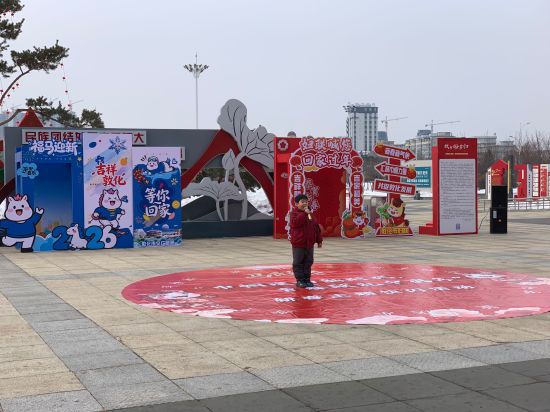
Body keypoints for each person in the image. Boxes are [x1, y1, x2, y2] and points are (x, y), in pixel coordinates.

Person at [289, 194, 322, 288]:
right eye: (302, 202)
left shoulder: (310, 214)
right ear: (296, 204)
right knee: (298, 262)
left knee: (308, 261)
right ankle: (300, 280)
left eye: (306, 202)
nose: (305, 204)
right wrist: (304, 213)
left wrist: (319, 240)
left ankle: (307, 279)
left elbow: (316, 227)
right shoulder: (294, 214)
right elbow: (295, 224)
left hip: (309, 243)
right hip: (299, 243)